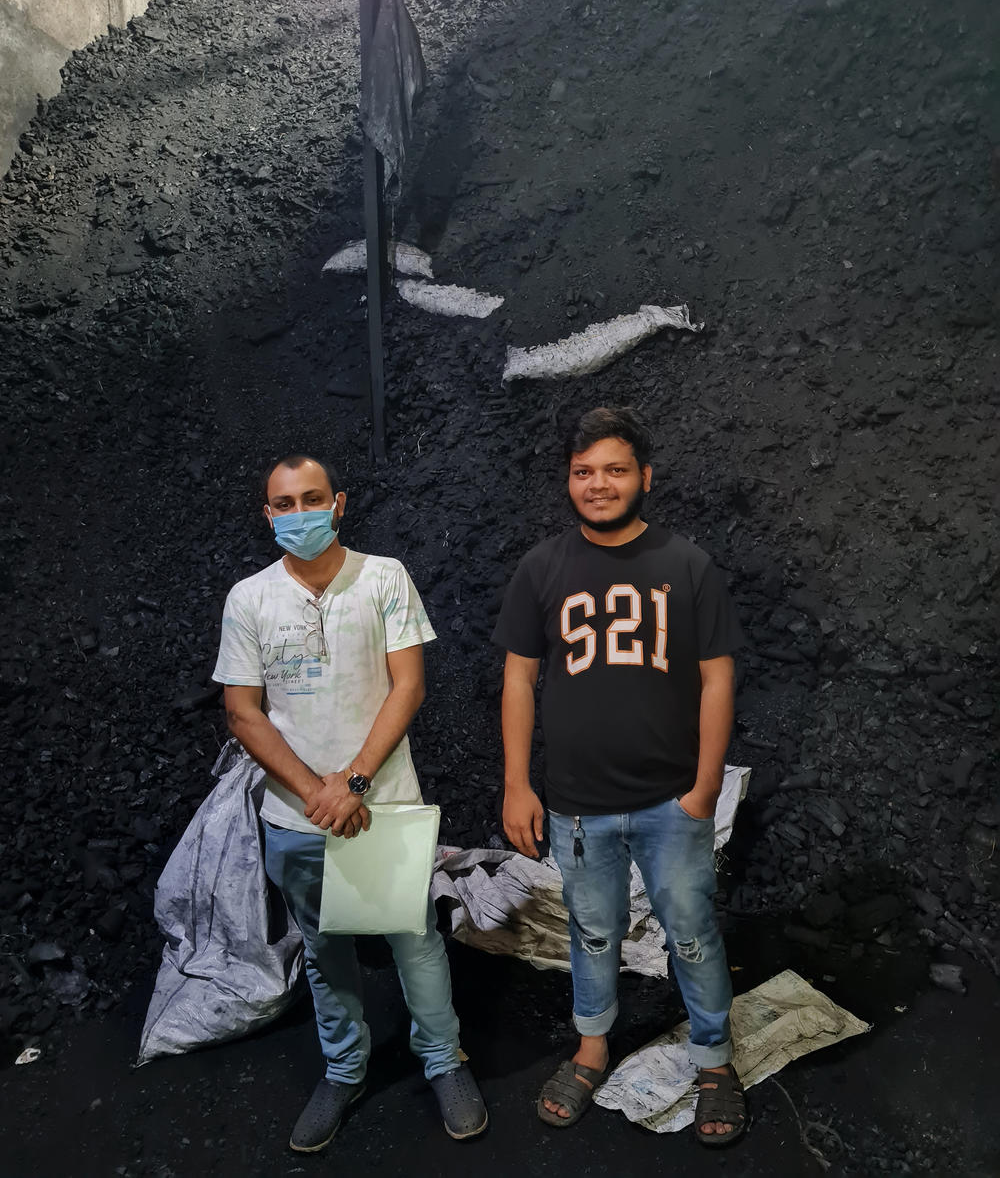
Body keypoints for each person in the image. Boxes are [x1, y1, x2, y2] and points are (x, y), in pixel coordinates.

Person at [212, 454, 487, 1153]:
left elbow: (407, 687)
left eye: (312, 497)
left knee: (413, 935)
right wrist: (316, 792)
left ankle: (443, 1059)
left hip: (384, 803)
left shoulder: (384, 577)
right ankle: (344, 1067)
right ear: (268, 514)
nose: (298, 511)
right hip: (295, 816)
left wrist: (354, 781)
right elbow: (243, 711)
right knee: (322, 943)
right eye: (284, 502)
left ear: (339, 503)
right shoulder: (249, 598)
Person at [493, 407, 747, 1146]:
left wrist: (703, 787)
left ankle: (713, 1058)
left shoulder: (686, 564)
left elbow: (717, 680)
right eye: (583, 471)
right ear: (567, 480)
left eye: (614, 468)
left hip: (672, 799)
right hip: (576, 805)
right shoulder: (543, 567)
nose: (597, 484)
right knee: (593, 931)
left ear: (644, 477)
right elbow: (516, 679)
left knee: (691, 930)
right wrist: (518, 782)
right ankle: (592, 1047)